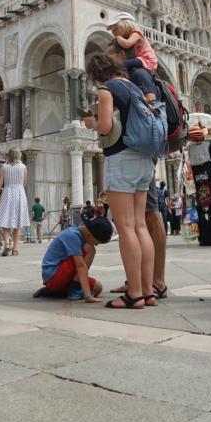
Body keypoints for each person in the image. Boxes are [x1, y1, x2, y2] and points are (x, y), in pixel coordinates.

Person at [82, 52, 155, 309]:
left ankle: (134, 294)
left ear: (95, 74)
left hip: (122, 159)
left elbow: (104, 127)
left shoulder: (106, 89)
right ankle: (148, 290)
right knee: (140, 226)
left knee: (125, 228)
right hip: (145, 159)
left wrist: (90, 122)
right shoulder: (133, 86)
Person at [33, 216, 113, 300]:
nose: (96, 245)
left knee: (98, 288)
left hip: (60, 277)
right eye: (97, 242)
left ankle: (55, 291)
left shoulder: (78, 233)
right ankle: (75, 289)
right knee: (90, 249)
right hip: (53, 276)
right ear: (89, 234)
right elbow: (81, 266)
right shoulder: (73, 235)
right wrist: (88, 296)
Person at [106, 12, 159, 102]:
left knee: (124, 65)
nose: (114, 33)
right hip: (141, 60)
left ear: (125, 25)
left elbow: (127, 44)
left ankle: (151, 96)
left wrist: (119, 38)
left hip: (147, 60)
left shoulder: (136, 34)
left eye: (116, 29)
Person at [0, 148, 30, 256]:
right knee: (18, 222)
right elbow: (24, 183)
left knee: (4, 219)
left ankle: (7, 243)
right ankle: (15, 249)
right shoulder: (23, 167)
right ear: (19, 155)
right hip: (20, 193)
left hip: (7, 192)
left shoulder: (4, 167)